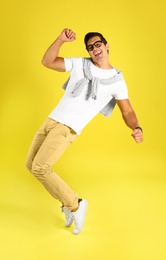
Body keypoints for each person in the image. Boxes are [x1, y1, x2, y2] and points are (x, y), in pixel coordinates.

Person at [26, 28, 143, 235]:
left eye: (98, 44)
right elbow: (48, 61)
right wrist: (61, 40)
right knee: (31, 164)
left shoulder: (116, 81)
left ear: (106, 46)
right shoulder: (80, 64)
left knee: (40, 167)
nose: (94, 49)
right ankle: (67, 203)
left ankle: (75, 204)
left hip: (68, 127)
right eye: (90, 47)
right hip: (52, 120)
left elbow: (128, 111)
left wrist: (136, 127)